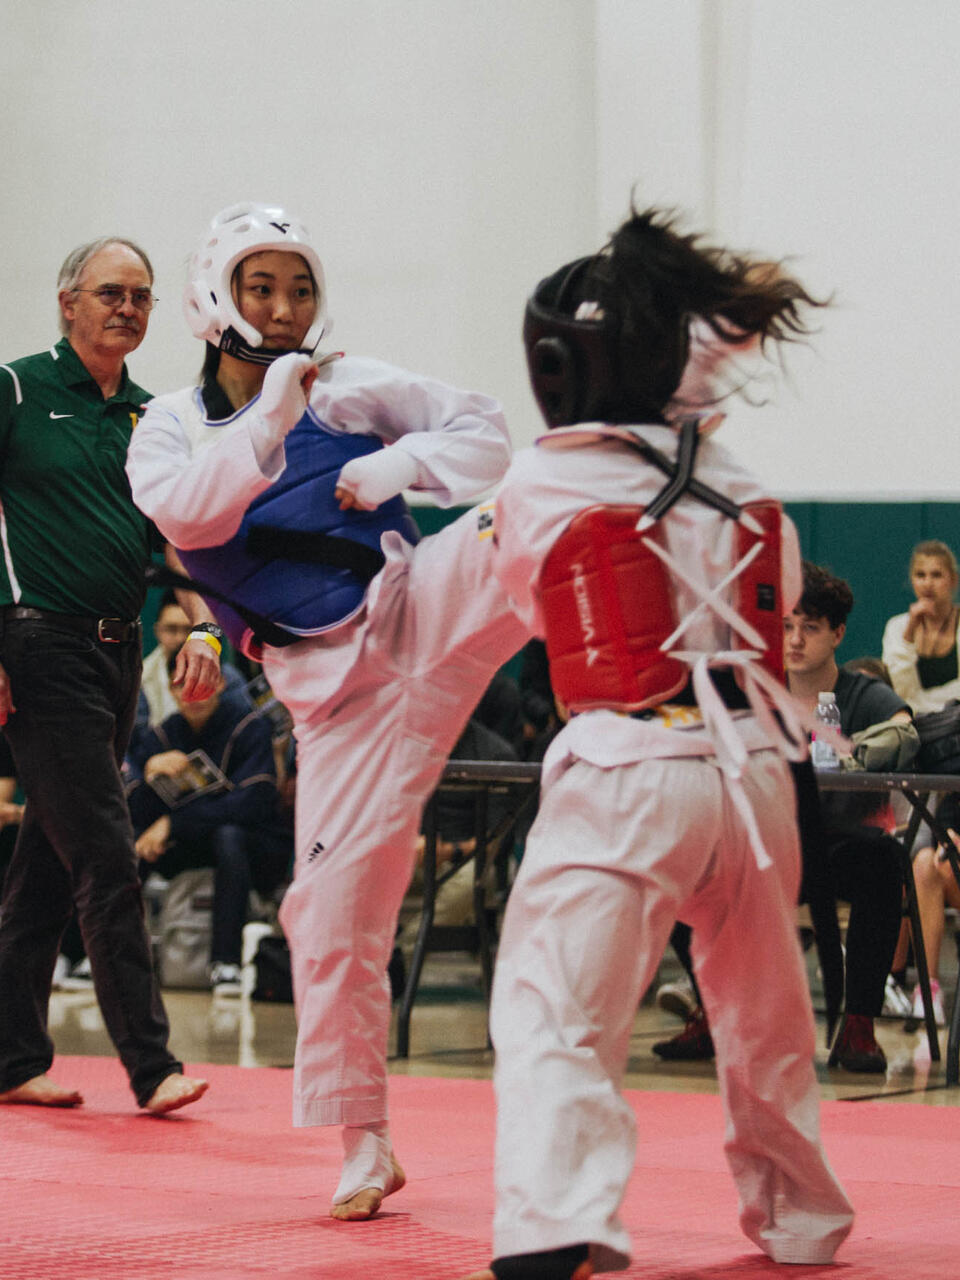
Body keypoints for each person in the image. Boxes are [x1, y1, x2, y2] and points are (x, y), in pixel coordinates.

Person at [461, 206, 853, 1280]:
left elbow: (531, 611)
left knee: (554, 1004)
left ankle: (555, 1220)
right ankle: (803, 1222)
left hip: (632, 767)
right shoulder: (752, 485)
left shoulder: (545, 480)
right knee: (765, 1015)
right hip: (760, 781)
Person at [126, 204, 528, 1216]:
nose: (285, 306)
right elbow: (189, 512)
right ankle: (365, 1140)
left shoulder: (346, 386)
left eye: (299, 287)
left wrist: (401, 463)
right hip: (335, 698)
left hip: (417, 608)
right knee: (329, 915)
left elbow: (488, 431)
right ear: (217, 297)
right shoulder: (171, 425)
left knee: (541, 504)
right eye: (262, 286)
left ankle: (668, 696)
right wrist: (272, 413)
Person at [0, 237, 218, 1115]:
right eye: (110, 293)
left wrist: (203, 624)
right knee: (103, 849)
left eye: (142, 296)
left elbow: (184, 533)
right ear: (67, 302)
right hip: (38, 643)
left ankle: (10, 1056)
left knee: (47, 868)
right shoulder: (15, 390)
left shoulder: (152, 415)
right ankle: (151, 1064)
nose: (127, 307)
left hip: (120, 648)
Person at [784, 562, 917, 1073]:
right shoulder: (754, 690)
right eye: (787, 626)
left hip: (836, 849)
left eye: (810, 628)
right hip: (767, 847)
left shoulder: (861, 694)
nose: (795, 640)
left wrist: (846, 751)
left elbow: (905, 731)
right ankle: (710, 1013)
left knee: (884, 860)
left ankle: (858, 1024)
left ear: (837, 633)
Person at [126, 650, 287, 994]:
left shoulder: (249, 727)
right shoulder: (163, 736)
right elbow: (137, 809)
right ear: (170, 689)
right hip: (191, 847)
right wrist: (151, 770)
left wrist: (175, 824)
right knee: (130, 842)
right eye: (183, 684)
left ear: (221, 683)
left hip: (254, 849)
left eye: (203, 681)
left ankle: (225, 963)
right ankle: (102, 958)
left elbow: (252, 804)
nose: (194, 693)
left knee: (229, 836)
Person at [882, 540, 960, 716]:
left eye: (936, 575)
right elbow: (898, 692)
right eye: (920, 575)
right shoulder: (897, 626)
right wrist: (909, 633)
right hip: (914, 725)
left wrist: (920, 703)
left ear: (953, 580)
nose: (927, 583)